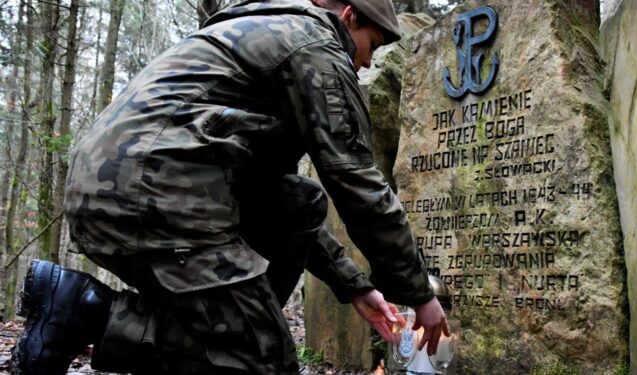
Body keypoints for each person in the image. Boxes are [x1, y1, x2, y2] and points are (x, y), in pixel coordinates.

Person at [11, 0, 448, 374]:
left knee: (300, 201)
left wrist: (354, 285)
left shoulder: (261, 31)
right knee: (265, 359)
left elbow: (270, 192)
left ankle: (87, 310)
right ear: (350, 16)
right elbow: (356, 181)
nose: (368, 61)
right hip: (156, 194)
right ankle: (85, 309)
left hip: (127, 188)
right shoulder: (316, 46)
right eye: (371, 45)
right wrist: (417, 294)